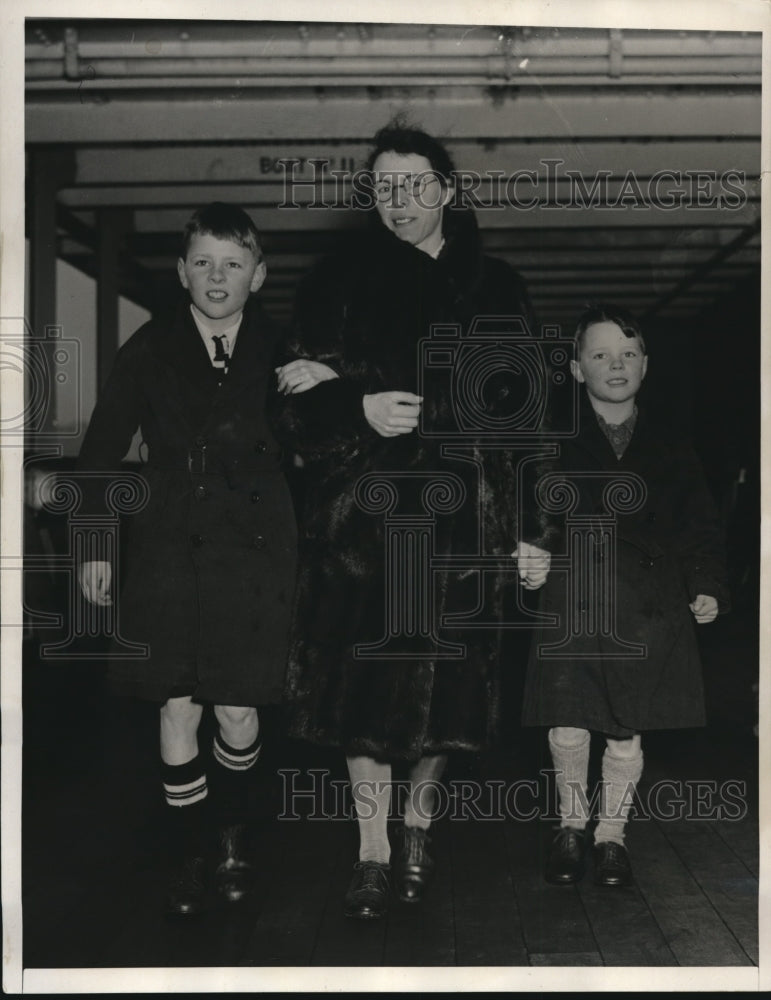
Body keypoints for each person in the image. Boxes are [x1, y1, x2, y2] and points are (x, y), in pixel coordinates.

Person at [272, 120, 551, 919]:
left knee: (448, 707)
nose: (399, 201)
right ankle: (371, 850)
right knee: (364, 701)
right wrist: (353, 405)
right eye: (384, 187)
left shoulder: (497, 289)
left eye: (414, 184)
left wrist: (534, 529)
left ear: (447, 190)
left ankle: (418, 830)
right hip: (366, 528)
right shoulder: (336, 283)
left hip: (472, 527)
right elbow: (288, 409)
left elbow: (530, 422)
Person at [77, 203, 297, 915]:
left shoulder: (288, 349)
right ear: (180, 271)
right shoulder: (146, 348)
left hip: (257, 555)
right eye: (202, 261)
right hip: (167, 548)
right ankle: (194, 849)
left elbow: (327, 447)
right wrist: (93, 543)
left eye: (232, 263)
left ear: (257, 275)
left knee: (236, 713)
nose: (216, 276)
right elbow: (101, 451)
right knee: (174, 706)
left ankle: (233, 833)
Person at [521, 303, 729, 887]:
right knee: (568, 719)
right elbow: (529, 508)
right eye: (601, 354)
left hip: (649, 604)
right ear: (575, 367)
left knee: (626, 724)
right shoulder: (549, 436)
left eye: (629, 354)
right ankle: (569, 826)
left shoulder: (672, 444)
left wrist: (707, 582)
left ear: (646, 366)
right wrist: (529, 552)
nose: (617, 364)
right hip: (574, 596)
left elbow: (700, 526)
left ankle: (611, 835)